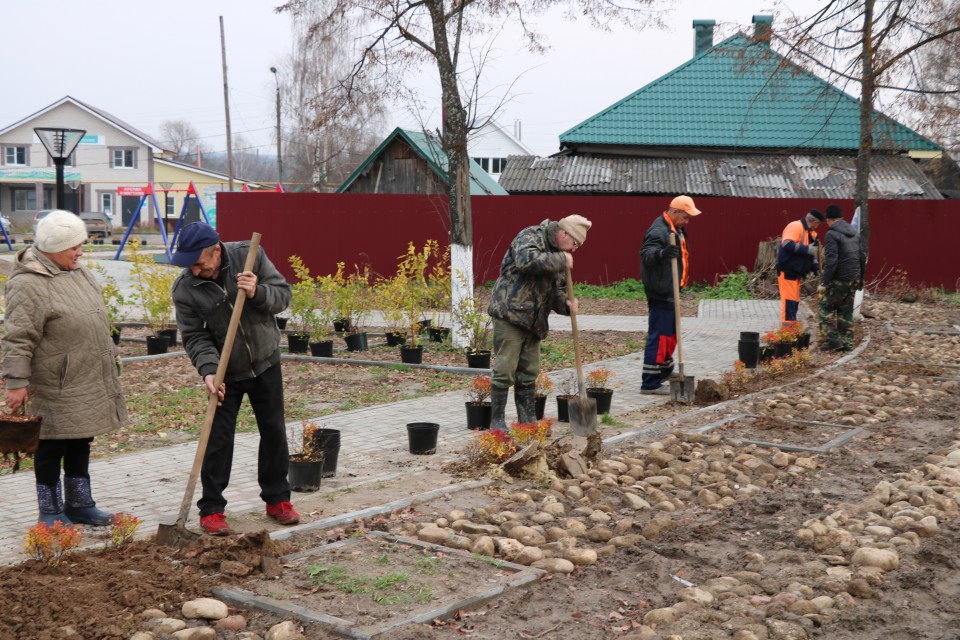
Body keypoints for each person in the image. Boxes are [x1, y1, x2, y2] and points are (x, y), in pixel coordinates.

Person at [170, 222, 299, 535]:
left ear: (216, 251)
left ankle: (277, 499)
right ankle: (212, 509)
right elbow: (194, 335)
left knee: (273, 432)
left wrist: (257, 291)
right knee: (218, 439)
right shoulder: (185, 288)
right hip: (225, 370)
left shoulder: (249, 256)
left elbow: (283, 297)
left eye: (200, 263)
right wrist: (210, 370)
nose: (196, 271)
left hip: (265, 360)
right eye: (190, 265)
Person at [2, 210, 127, 526]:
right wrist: (16, 381)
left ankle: (80, 504)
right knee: (50, 446)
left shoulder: (77, 271)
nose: (80, 252)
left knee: (80, 439)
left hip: (85, 377)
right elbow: (18, 335)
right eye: (74, 246)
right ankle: (50, 512)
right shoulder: (29, 282)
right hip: (54, 382)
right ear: (54, 247)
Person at [487, 215, 592, 431]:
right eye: (575, 243)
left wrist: (566, 305)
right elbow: (526, 261)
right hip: (510, 313)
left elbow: (557, 292)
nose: (574, 250)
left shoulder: (560, 257)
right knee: (505, 368)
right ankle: (496, 421)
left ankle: (527, 421)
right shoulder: (531, 236)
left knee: (528, 371)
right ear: (564, 234)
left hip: (534, 321)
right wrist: (560, 260)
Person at [639, 195, 702, 395]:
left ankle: (665, 371)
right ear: (674, 212)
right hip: (660, 291)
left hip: (672, 290)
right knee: (659, 336)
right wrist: (663, 253)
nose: (687, 221)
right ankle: (649, 382)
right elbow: (646, 255)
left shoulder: (677, 229)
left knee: (670, 335)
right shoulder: (659, 231)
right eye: (685, 217)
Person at [818, 204, 866, 351]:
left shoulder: (831, 234)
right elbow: (862, 257)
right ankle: (847, 343)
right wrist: (861, 280)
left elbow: (831, 261)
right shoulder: (855, 233)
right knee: (846, 311)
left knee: (825, 309)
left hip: (840, 279)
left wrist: (824, 282)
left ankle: (833, 341)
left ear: (830, 219)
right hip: (854, 278)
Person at [776, 209, 824, 327]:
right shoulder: (795, 226)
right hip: (787, 270)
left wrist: (815, 268)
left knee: (794, 300)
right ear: (814, 221)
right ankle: (787, 329)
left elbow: (812, 254)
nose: (818, 227)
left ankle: (791, 325)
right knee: (789, 301)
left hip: (796, 271)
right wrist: (807, 249)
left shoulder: (811, 234)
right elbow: (786, 243)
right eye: (818, 224)